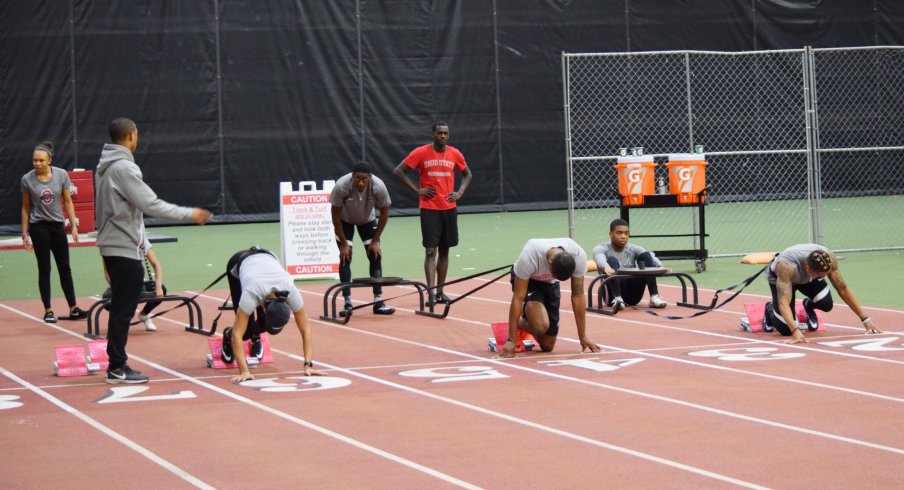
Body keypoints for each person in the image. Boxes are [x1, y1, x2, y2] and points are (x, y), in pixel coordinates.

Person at [95, 118, 212, 384]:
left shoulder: (103, 168)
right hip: (123, 248)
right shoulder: (124, 168)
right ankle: (116, 367)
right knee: (123, 311)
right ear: (131, 136)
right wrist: (189, 214)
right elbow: (151, 204)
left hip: (115, 246)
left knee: (121, 310)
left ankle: (117, 364)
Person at [394, 121, 473, 306]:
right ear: (433, 134)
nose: (443, 136)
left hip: (449, 208)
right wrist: (417, 190)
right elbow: (399, 171)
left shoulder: (455, 153)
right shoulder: (421, 152)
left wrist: (460, 192)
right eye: (439, 133)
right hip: (430, 208)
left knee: (445, 251)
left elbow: (467, 174)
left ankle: (440, 292)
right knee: (431, 250)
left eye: (446, 133)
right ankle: (430, 294)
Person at [222, 247, 323, 382]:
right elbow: (237, 335)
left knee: (270, 329)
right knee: (245, 333)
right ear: (264, 308)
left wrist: (308, 364)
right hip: (239, 262)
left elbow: (306, 329)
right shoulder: (251, 293)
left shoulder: (290, 290)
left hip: (267, 256)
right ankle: (227, 335)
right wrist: (244, 371)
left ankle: (256, 335)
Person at [20, 141, 89, 323]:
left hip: (57, 226)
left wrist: (73, 226)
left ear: (49, 160)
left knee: (65, 267)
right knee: (45, 268)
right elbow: (26, 208)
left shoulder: (61, 175)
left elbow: (67, 201)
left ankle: (73, 308)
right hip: (38, 227)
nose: (37, 164)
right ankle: (48, 310)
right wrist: (25, 234)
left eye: (41, 160)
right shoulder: (27, 179)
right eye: (35, 160)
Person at [497, 238, 601, 358]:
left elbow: (577, 295)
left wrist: (583, 336)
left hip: (551, 284)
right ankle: (517, 324)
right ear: (550, 262)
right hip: (530, 281)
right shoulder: (530, 256)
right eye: (554, 274)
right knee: (540, 326)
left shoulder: (578, 255)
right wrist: (511, 340)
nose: (553, 276)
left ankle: (525, 322)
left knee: (547, 346)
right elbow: (518, 297)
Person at [764, 244, 881, 344]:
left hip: (808, 279)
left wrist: (866, 320)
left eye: (826, 273)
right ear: (808, 268)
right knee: (786, 330)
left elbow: (842, 288)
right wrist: (796, 331)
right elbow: (784, 302)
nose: (824, 277)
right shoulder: (786, 266)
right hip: (783, 280)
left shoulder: (829, 258)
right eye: (821, 275)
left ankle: (808, 306)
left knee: (826, 304)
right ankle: (770, 308)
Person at [329, 161, 394, 315]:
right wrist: (344, 243)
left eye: (364, 179)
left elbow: (384, 214)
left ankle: (378, 301)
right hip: (345, 221)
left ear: (370, 178)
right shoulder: (342, 186)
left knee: (375, 255)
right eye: (357, 178)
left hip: (367, 220)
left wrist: (376, 240)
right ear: (352, 177)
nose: (361, 182)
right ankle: (347, 303)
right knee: (345, 257)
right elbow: (335, 215)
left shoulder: (378, 186)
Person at [591, 218, 669, 311]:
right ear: (610, 234)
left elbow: (649, 256)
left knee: (645, 255)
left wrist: (660, 266)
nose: (623, 236)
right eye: (619, 233)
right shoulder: (601, 248)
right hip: (611, 295)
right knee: (611, 260)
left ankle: (654, 296)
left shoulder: (633, 248)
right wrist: (606, 267)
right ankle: (618, 299)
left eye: (626, 233)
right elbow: (598, 257)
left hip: (633, 296)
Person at [101, 230, 166, 332]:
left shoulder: (140, 238)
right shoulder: (110, 241)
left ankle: (144, 315)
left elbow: (156, 265)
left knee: (162, 289)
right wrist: (119, 288)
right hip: (120, 286)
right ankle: (119, 320)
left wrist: (158, 287)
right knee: (107, 298)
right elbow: (107, 274)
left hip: (139, 284)